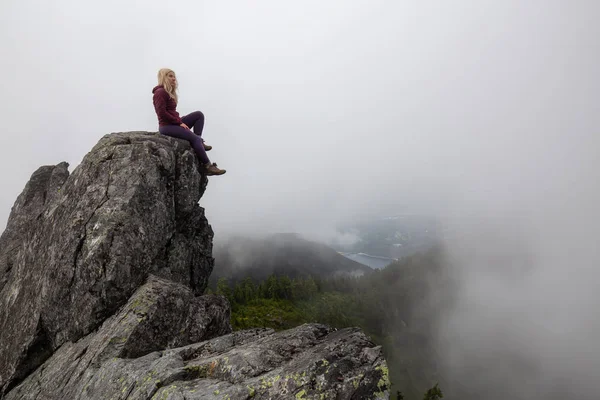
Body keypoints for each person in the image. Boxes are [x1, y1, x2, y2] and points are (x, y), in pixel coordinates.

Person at [152, 68, 226, 175]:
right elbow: (161, 113)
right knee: (194, 138)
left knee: (198, 115)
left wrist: (178, 121)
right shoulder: (160, 93)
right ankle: (207, 166)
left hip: (174, 122)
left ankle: (199, 141)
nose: (174, 79)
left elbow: (171, 112)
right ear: (164, 77)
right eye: (170, 76)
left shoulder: (168, 93)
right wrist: (179, 123)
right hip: (167, 126)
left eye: (174, 76)